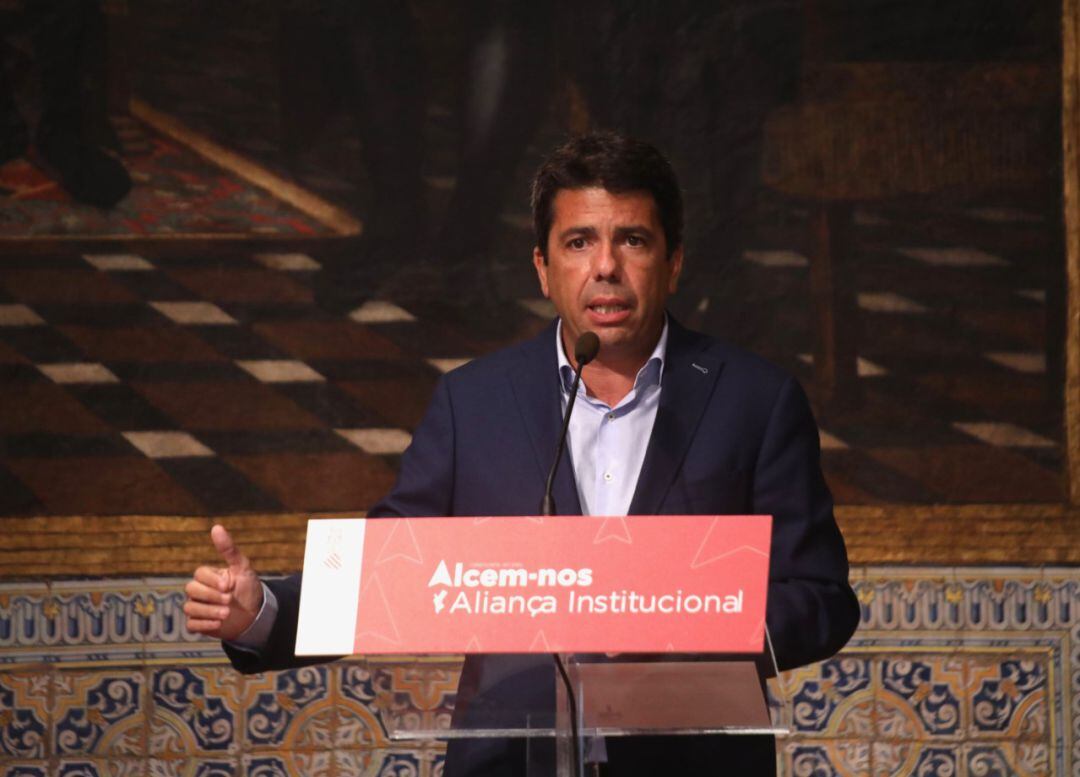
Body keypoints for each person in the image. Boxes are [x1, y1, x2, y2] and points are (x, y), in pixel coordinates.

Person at [184, 131, 860, 776]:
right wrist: (264, 612)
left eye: (632, 240)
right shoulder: (472, 402)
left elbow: (822, 598)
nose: (605, 267)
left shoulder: (755, 399)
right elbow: (394, 569)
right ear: (543, 267)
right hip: (511, 758)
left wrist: (690, 629)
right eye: (578, 241)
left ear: (674, 259)